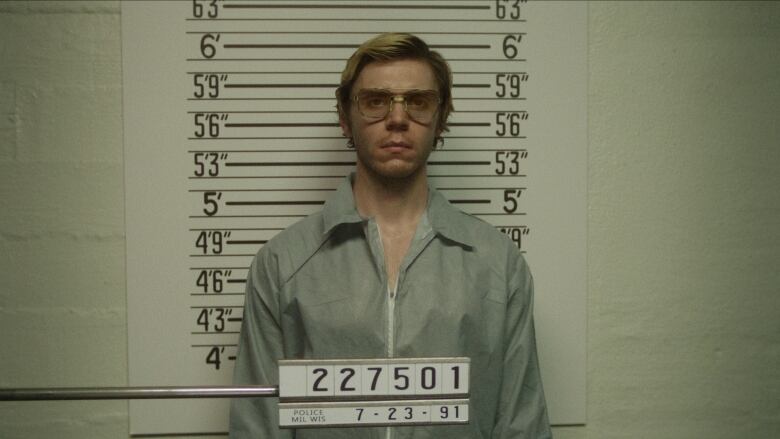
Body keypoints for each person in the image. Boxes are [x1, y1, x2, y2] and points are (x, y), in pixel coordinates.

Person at [229, 33, 552, 439]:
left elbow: (522, 421)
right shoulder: (282, 262)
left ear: (441, 118)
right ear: (345, 117)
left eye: (418, 101)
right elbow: (257, 424)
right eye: (376, 101)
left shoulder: (497, 262)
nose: (397, 118)